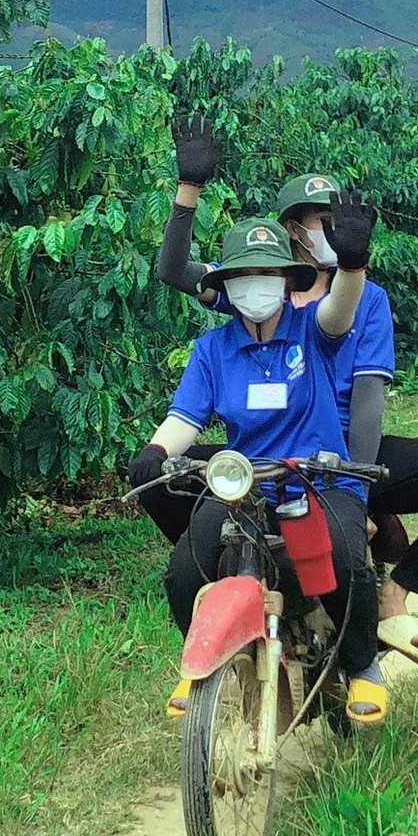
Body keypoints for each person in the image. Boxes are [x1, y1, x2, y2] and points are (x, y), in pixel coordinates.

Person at [151, 115, 418, 669]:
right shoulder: (261, 284)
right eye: (323, 219)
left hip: (348, 450)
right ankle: (235, 569)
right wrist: (189, 189)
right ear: (294, 228)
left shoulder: (357, 301)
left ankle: (396, 589)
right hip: (267, 451)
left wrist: (357, 494)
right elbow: (176, 270)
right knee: (168, 476)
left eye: (341, 218)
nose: (334, 226)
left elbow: (366, 401)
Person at [126, 204, 389, 724]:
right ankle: (201, 659)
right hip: (248, 486)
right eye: (244, 275)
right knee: (185, 571)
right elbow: (186, 417)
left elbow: (339, 311)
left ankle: (362, 664)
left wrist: (353, 266)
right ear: (229, 283)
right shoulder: (212, 349)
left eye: (267, 273)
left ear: (286, 279)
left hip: (319, 480)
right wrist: (156, 453)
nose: (257, 285)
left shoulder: (312, 329)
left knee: (343, 561)